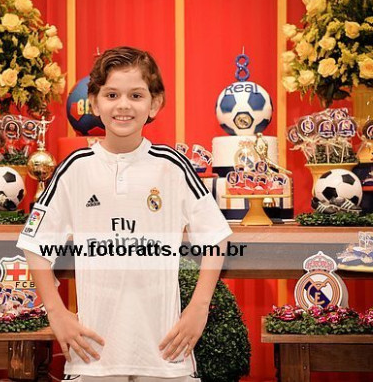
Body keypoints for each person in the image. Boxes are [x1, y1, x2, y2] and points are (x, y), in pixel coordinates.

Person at [17, 46, 232, 382]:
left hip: (164, 354)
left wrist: (198, 307)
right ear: (94, 102)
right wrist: (56, 312)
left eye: (136, 95)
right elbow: (34, 242)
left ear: (154, 104)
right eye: (112, 94)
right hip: (93, 355)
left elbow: (216, 237)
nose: (123, 105)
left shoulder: (172, 166)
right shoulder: (75, 168)